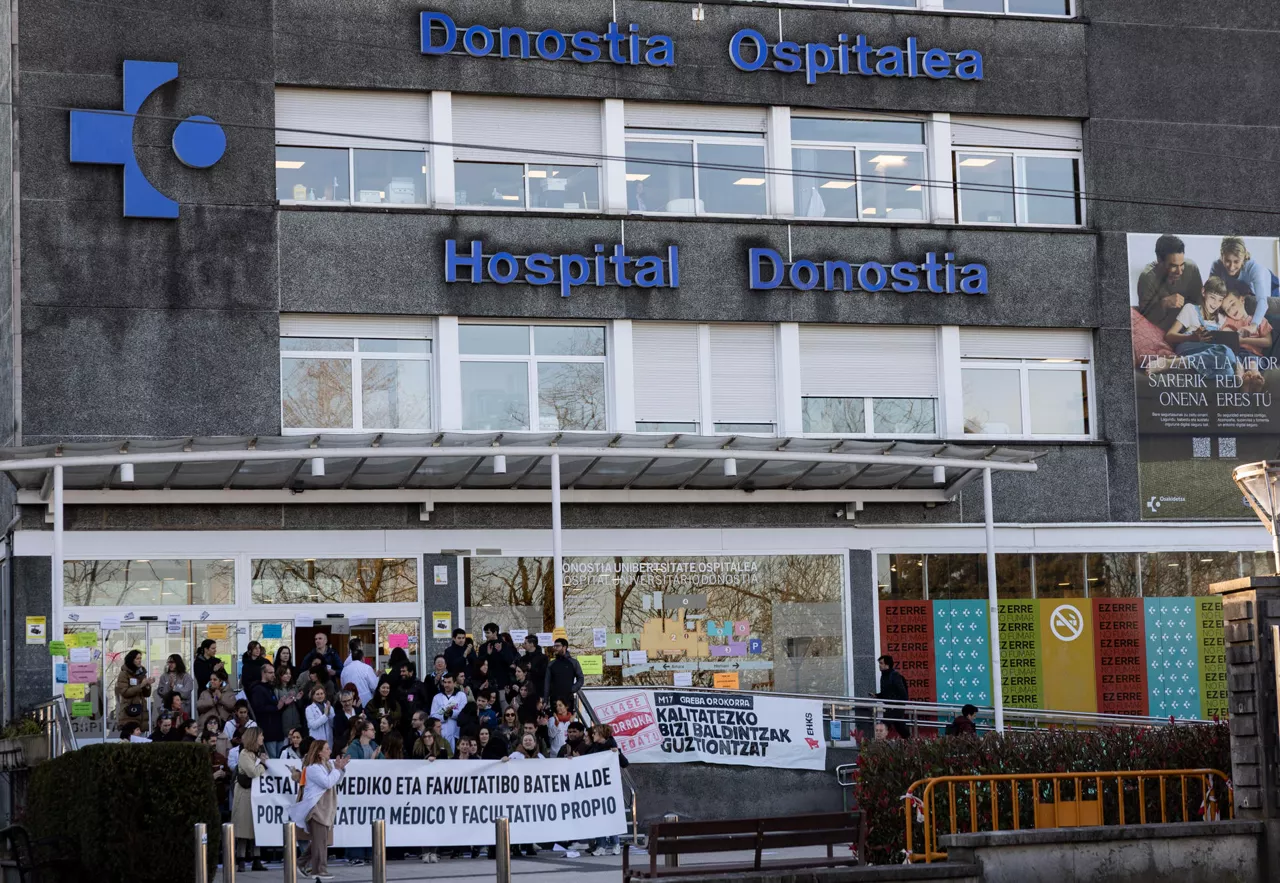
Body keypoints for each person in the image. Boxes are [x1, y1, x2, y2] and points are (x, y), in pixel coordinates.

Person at [290, 740, 349, 881]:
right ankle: (319, 870)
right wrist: (336, 769)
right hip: (316, 808)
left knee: (321, 840)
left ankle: (300, 863)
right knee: (320, 841)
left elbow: (335, 781)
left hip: (325, 808)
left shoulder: (326, 765)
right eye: (327, 749)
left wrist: (340, 769)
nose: (330, 751)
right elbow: (327, 783)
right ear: (319, 752)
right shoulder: (313, 768)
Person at [1138, 234, 1205, 330]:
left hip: (1191, 327)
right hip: (1162, 330)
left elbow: (1200, 303)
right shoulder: (1147, 278)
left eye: (1182, 265)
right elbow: (1144, 320)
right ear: (1159, 260)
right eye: (1173, 266)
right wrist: (1163, 304)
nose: (1179, 271)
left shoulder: (1191, 268)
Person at [1212, 236, 1274, 331]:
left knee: (1267, 317)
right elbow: (1212, 291)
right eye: (1227, 261)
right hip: (1238, 289)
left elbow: (1263, 302)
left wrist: (1253, 325)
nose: (1231, 267)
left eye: (1236, 261)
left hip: (1265, 285)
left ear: (1244, 257)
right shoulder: (1217, 266)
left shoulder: (1255, 269)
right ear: (1222, 256)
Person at [584, 724, 628, 856]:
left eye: (595, 733)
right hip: (597, 787)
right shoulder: (595, 747)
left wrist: (617, 753)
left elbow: (625, 763)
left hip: (609, 788)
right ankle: (601, 845)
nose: (592, 735)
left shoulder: (612, 746)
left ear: (602, 734)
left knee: (610, 816)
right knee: (599, 817)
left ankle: (615, 843)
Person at [233, 727, 269, 872]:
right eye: (261, 735)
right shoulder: (244, 754)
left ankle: (257, 859)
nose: (263, 738)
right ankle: (240, 859)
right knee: (243, 829)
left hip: (256, 794)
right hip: (245, 795)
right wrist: (263, 764)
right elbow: (253, 772)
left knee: (256, 828)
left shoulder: (258, 753)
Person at [249, 662, 286, 758]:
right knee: (273, 758)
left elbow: (276, 707)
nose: (273, 675)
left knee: (281, 757)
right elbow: (258, 708)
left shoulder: (270, 688)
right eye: (270, 673)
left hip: (277, 730)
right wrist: (276, 707)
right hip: (268, 731)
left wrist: (284, 704)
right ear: (263, 673)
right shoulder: (258, 689)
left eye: (273, 672)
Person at [114, 649, 154, 731]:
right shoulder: (124, 674)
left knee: (140, 735)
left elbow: (147, 694)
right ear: (131, 660)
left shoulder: (141, 673)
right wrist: (141, 685)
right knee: (131, 735)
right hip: (129, 711)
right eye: (137, 659)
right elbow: (124, 692)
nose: (140, 661)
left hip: (141, 711)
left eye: (140, 658)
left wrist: (147, 685)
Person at [873, 655, 911, 740]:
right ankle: (910, 742)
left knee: (883, 726)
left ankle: (879, 743)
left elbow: (902, 693)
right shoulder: (884, 676)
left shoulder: (894, 676)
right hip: (890, 707)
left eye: (881, 663)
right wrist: (877, 695)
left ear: (887, 665)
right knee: (900, 727)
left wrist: (896, 704)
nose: (879, 665)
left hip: (895, 707)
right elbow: (886, 693)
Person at [545, 639, 584, 713]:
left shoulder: (573, 662)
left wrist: (572, 689)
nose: (555, 648)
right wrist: (545, 700)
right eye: (554, 646)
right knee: (554, 719)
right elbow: (547, 683)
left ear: (564, 647)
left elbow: (581, 678)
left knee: (568, 719)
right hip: (554, 698)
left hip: (568, 698)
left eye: (557, 646)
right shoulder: (551, 664)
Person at [430, 673, 467, 750]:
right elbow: (433, 716)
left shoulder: (461, 696)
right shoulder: (437, 697)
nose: (446, 685)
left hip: (456, 734)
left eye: (449, 682)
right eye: (445, 682)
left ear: (454, 683)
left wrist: (451, 713)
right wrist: (444, 716)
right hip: (441, 734)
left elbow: (463, 714)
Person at [156, 653, 196, 719]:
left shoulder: (186, 677)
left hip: (183, 710)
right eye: (169, 662)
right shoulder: (164, 676)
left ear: (178, 663)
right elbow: (161, 693)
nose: (170, 664)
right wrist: (169, 685)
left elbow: (186, 693)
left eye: (172, 662)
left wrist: (174, 687)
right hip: (168, 711)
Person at [478, 623, 516, 690]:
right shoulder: (483, 647)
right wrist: (488, 654)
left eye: (488, 633)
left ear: (495, 632)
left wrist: (500, 651)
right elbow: (479, 663)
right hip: (488, 682)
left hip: (503, 681)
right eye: (485, 633)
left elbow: (510, 661)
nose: (486, 635)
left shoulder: (505, 645)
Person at [204, 730, 231, 818]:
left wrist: (224, 774)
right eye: (212, 741)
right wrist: (212, 777)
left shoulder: (220, 757)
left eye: (216, 741)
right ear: (204, 741)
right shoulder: (199, 758)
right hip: (204, 798)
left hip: (219, 797)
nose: (215, 744)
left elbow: (229, 774)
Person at [276, 665, 304, 737]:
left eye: (289, 673)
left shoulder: (294, 687)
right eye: (286, 673)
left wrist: (298, 699)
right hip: (284, 720)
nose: (289, 675)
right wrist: (284, 703)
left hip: (296, 719)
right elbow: (276, 707)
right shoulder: (276, 689)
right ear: (280, 675)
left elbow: (300, 705)